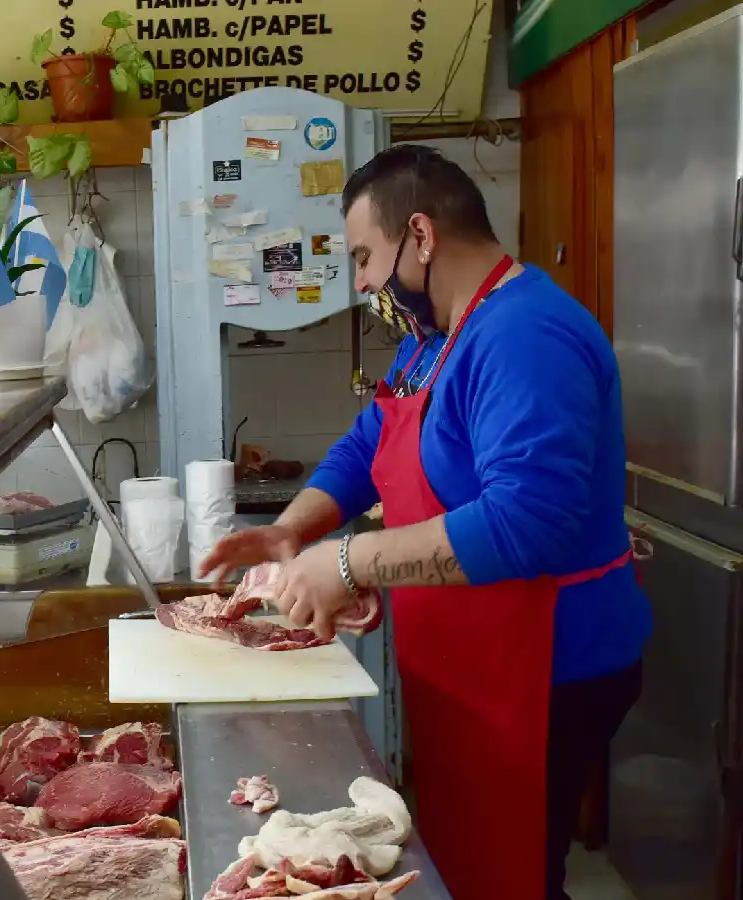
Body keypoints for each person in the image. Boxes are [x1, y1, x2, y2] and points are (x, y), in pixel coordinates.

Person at [199, 145, 652, 900]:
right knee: (466, 863)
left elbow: (529, 522)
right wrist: (294, 531)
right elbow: (370, 439)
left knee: (513, 875)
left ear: (420, 234)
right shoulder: (437, 337)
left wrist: (351, 563)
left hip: (547, 667)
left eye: (364, 256)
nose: (363, 281)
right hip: (469, 661)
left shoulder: (525, 334)